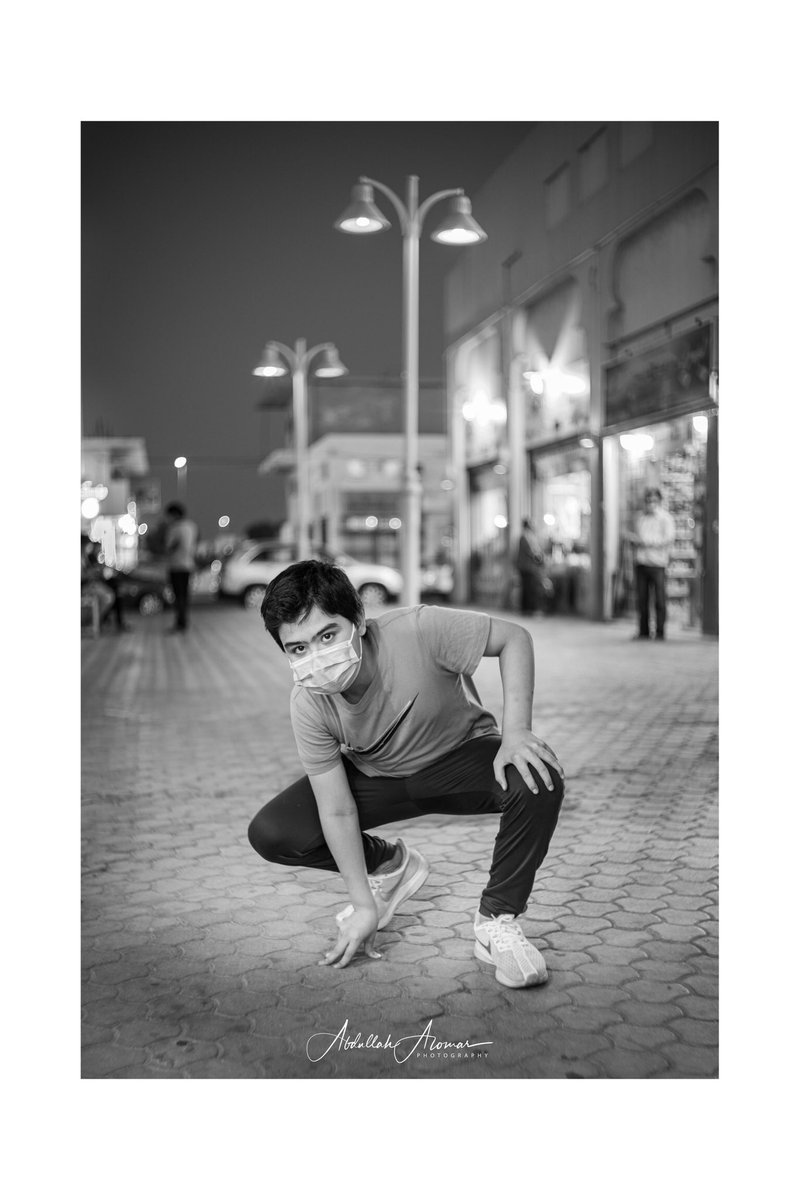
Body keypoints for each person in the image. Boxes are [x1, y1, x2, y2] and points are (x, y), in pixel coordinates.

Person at [247, 560, 565, 989]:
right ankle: (391, 866)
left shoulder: (418, 631)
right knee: (272, 831)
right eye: (298, 648)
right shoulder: (308, 704)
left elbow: (514, 639)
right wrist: (363, 906)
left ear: (358, 620)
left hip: (459, 760)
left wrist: (516, 732)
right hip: (380, 780)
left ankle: (496, 921)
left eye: (328, 635)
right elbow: (337, 810)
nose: (317, 657)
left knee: (536, 775)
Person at [625, 487, 676, 641]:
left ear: (659, 501)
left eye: (654, 500)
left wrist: (645, 542)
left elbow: (668, 539)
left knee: (659, 599)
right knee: (642, 599)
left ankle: (660, 632)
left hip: (658, 563)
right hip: (642, 562)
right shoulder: (641, 518)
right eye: (648, 500)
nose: (651, 504)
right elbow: (638, 537)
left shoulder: (665, 519)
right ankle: (643, 631)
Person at [80, 538, 131, 633]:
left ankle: (104, 621)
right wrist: (94, 572)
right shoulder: (87, 557)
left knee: (115, 591)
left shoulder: (87, 556)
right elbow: (85, 575)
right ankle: (96, 622)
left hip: (93, 583)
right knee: (110, 596)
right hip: (87, 585)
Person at [163, 501, 198, 633]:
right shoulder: (192, 526)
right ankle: (183, 622)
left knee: (178, 596)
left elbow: (170, 547)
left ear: (174, 514)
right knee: (184, 595)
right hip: (188, 565)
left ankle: (180, 623)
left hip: (176, 565)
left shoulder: (175, 528)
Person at [515, 517, 547, 616]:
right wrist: (539, 558)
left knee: (527, 588)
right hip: (527, 567)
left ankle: (526, 609)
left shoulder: (527, 536)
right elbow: (531, 552)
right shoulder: (525, 537)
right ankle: (528, 609)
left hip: (526, 567)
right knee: (529, 588)